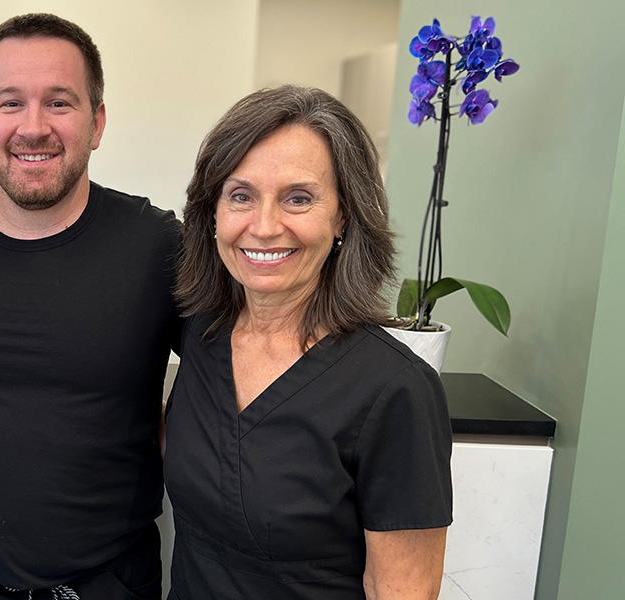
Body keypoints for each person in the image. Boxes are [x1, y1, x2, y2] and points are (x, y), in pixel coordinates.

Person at [0, 13, 181, 600]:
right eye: (10, 103)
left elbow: (243, 366)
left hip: (111, 585)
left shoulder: (157, 246)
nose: (33, 127)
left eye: (59, 102)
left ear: (97, 121)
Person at [164, 85, 452, 600]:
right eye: (241, 196)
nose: (265, 226)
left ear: (342, 215)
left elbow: (402, 590)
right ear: (212, 213)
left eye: (299, 198)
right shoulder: (201, 335)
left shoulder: (396, 390)